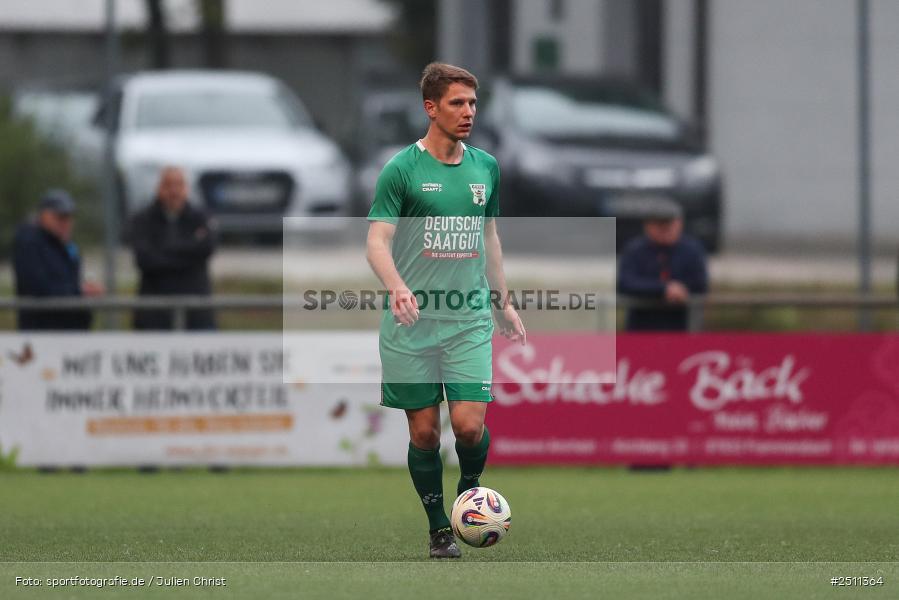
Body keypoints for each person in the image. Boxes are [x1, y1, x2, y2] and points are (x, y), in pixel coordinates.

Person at [366, 63, 525, 558]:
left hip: (468, 320)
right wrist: (396, 287)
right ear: (430, 108)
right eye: (458, 103)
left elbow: (490, 238)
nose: (468, 112)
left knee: (470, 426)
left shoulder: (486, 168)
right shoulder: (401, 171)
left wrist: (503, 301)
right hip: (411, 325)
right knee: (425, 431)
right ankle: (439, 528)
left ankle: (467, 496)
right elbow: (376, 240)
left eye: (473, 103)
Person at [130, 166, 216, 330]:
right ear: (158, 188)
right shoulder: (142, 220)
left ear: (186, 188)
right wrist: (189, 254)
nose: (174, 191)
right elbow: (144, 259)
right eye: (168, 185)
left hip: (197, 317)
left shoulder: (201, 217)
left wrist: (164, 250)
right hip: (153, 319)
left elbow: (206, 248)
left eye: (179, 185)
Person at [13, 189, 104, 330]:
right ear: (43, 215)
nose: (65, 222)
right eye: (60, 217)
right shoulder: (29, 243)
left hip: (69, 331)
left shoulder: (65, 245)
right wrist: (80, 292)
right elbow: (38, 288)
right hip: (43, 332)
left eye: (68, 217)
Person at [617, 200, 709, 331]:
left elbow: (700, 284)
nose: (665, 228)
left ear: (680, 223)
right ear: (647, 225)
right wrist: (663, 289)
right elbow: (625, 283)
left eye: (669, 223)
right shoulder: (634, 250)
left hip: (683, 329)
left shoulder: (692, 250)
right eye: (659, 224)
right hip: (642, 330)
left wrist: (681, 290)